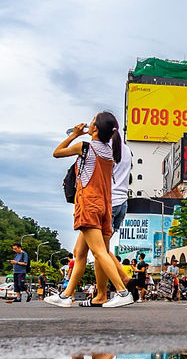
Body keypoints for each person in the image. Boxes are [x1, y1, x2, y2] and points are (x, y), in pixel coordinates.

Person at [46, 114, 133, 308]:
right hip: (104, 205)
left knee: (100, 252)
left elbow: (57, 152)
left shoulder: (85, 147)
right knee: (80, 252)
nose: (89, 122)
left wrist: (75, 135)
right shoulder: (111, 152)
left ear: (94, 129)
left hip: (89, 204)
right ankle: (66, 295)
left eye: (92, 121)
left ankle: (122, 291)